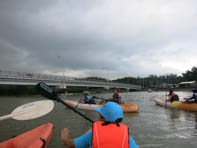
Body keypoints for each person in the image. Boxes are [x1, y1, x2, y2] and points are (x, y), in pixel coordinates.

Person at [61, 101, 138, 148]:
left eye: (100, 114)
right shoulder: (127, 136)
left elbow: (70, 144)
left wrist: (64, 137)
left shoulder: (93, 134)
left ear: (102, 117)